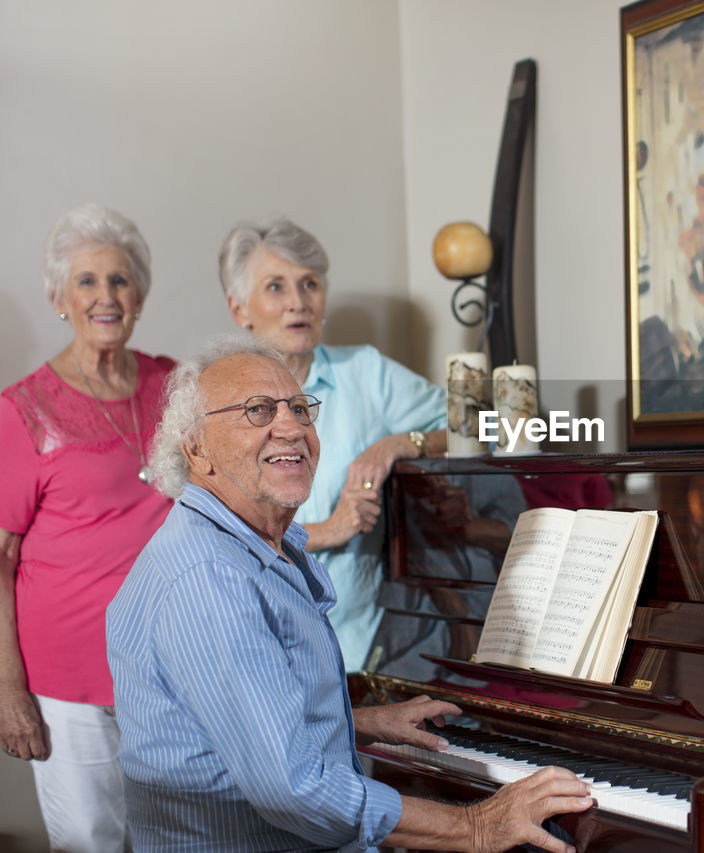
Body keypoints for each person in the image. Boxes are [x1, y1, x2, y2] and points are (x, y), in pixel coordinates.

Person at [106, 337, 592, 852]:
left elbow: (236, 727)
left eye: (299, 408)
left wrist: (359, 722)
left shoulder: (240, 544)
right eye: (258, 411)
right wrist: (477, 826)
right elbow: (294, 791)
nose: (292, 427)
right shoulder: (211, 580)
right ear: (196, 449)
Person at [0, 203, 174, 852]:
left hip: (166, 666)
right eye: (87, 281)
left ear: (141, 296)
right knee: (92, 842)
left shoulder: (169, 383)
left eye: (121, 280)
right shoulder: (22, 410)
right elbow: (0, 558)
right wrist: (7, 689)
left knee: (174, 838)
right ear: (58, 299)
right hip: (67, 675)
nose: (106, 296)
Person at [218, 217, 447, 671]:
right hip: (262, 649)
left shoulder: (366, 372)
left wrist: (399, 443)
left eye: (310, 284)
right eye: (276, 287)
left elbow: (487, 426)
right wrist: (330, 530)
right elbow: (220, 541)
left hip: (368, 649)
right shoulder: (218, 402)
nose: (298, 302)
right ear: (240, 309)